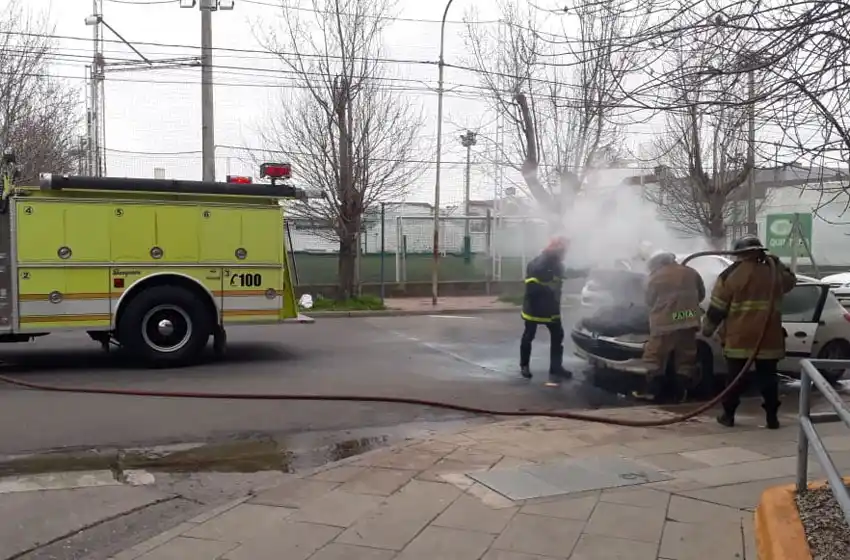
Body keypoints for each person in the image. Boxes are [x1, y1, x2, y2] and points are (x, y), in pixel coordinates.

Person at [701, 235, 796, 429]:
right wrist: (777, 262)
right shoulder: (774, 273)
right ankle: (772, 418)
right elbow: (791, 282)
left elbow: (718, 308)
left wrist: (707, 329)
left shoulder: (730, 275)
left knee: (735, 380)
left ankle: (728, 416)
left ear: (738, 253)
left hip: (739, 338)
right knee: (768, 379)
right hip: (768, 338)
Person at [632, 251, 706, 402]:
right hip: (688, 319)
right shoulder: (691, 272)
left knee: (654, 358)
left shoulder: (655, 277)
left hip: (665, 323)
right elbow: (701, 294)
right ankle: (681, 392)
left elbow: (649, 300)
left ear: (657, 263)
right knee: (686, 359)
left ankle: (653, 391)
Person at [520, 236, 587, 387]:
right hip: (535, 308)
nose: (565, 253)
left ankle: (556, 368)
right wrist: (548, 291)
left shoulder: (556, 264)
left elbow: (566, 274)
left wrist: (586, 271)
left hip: (551, 308)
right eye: (564, 250)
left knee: (557, 336)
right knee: (529, 335)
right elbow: (532, 287)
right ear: (557, 250)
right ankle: (524, 366)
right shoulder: (538, 265)